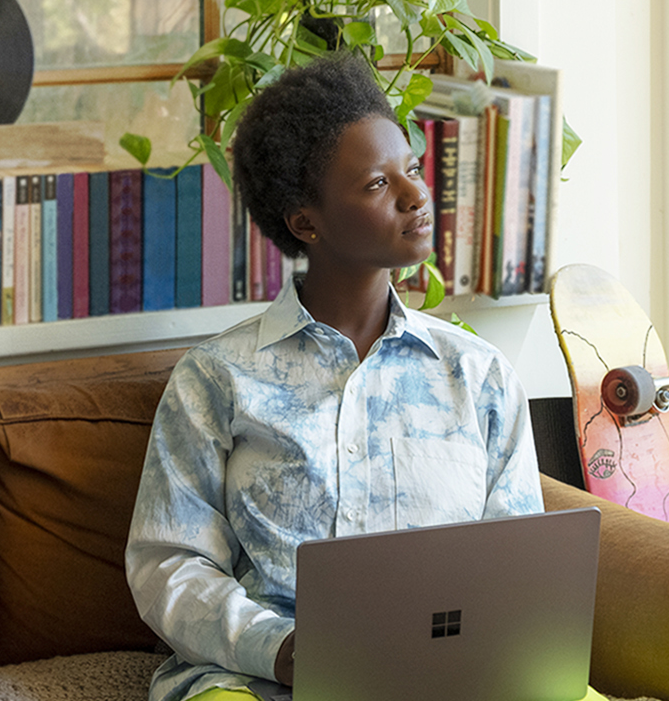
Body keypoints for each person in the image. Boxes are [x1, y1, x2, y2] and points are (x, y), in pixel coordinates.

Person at [124, 54, 545, 701]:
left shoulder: (479, 376)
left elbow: (520, 572)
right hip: (257, 681)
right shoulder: (216, 380)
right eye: (378, 184)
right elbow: (168, 565)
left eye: (411, 168)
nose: (416, 194)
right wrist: (282, 649)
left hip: (440, 681)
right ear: (305, 222)